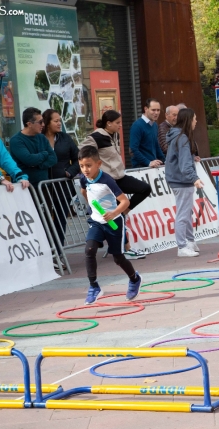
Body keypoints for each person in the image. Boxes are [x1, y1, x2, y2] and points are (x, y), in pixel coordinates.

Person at [81, 109, 151, 259]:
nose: (120, 126)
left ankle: (122, 211)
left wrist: (124, 208)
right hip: (107, 180)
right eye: (117, 123)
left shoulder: (114, 135)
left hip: (120, 176)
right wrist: (93, 169)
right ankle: (125, 249)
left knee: (144, 188)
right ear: (109, 123)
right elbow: (82, 150)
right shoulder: (96, 136)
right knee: (115, 217)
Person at [78, 146, 141, 305]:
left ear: (98, 164)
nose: (85, 169)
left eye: (89, 165)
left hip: (114, 222)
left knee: (118, 258)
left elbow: (125, 202)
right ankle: (94, 286)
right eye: (82, 166)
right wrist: (93, 208)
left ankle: (134, 279)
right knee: (89, 249)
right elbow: (84, 191)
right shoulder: (84, 178)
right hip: (96, 221)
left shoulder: (107, 180)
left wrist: (113, 213)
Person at [164, 108, 204, 258]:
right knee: (183, 213)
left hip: (178, 179)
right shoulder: (183, 138)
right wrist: (195, 178)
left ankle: (189, 241)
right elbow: (184, 164)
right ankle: (182, 246)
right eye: (194, 118)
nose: (196, 121)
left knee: (186, 211)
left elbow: (181, 159)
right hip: (182, 180)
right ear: (188, 120)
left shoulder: (178, 136)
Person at [42, 109, 80, 249]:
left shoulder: (65, 138)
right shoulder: (39, 138)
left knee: (60, 220)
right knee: (44, 220)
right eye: (56, 121)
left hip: (62, 187)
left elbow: (78, 159)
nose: (59, 123)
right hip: (43, 187)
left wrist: (69, 172)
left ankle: (59, 253)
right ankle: (47, 252)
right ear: (47, 123)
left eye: (60, 120)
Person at [9, 107, 58, 187]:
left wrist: (38, 165)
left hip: (44, 186)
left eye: (43, 121)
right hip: (25, 187)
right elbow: (29, 160)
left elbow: (53, 158)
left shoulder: (42, 137)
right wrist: (44, 154)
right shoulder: (16, 140)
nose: (43, 124)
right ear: (29, 124)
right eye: (40, 122)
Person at [129, 98, 164, 168]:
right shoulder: (137, 125)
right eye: (153, 110)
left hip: (153, 165)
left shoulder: (154, 125)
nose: (156, 113)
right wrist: (148, 162)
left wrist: (164, 160)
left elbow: (156, 145)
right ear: (146, 109)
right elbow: (133, 149)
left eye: (158, 110)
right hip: (141, 168)